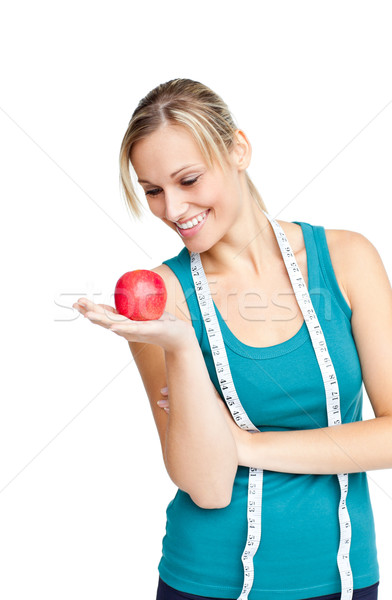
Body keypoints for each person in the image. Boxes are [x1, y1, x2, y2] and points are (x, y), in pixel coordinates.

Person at [72, 78, 392, 600]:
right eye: (153, 190)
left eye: (188, 179)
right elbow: (208, 483)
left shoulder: (349, 259)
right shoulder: (161, 299)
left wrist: (241, 445)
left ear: (238, 149)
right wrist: (178, 346)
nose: (173, 209)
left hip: (346, 579)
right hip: (205, 581)